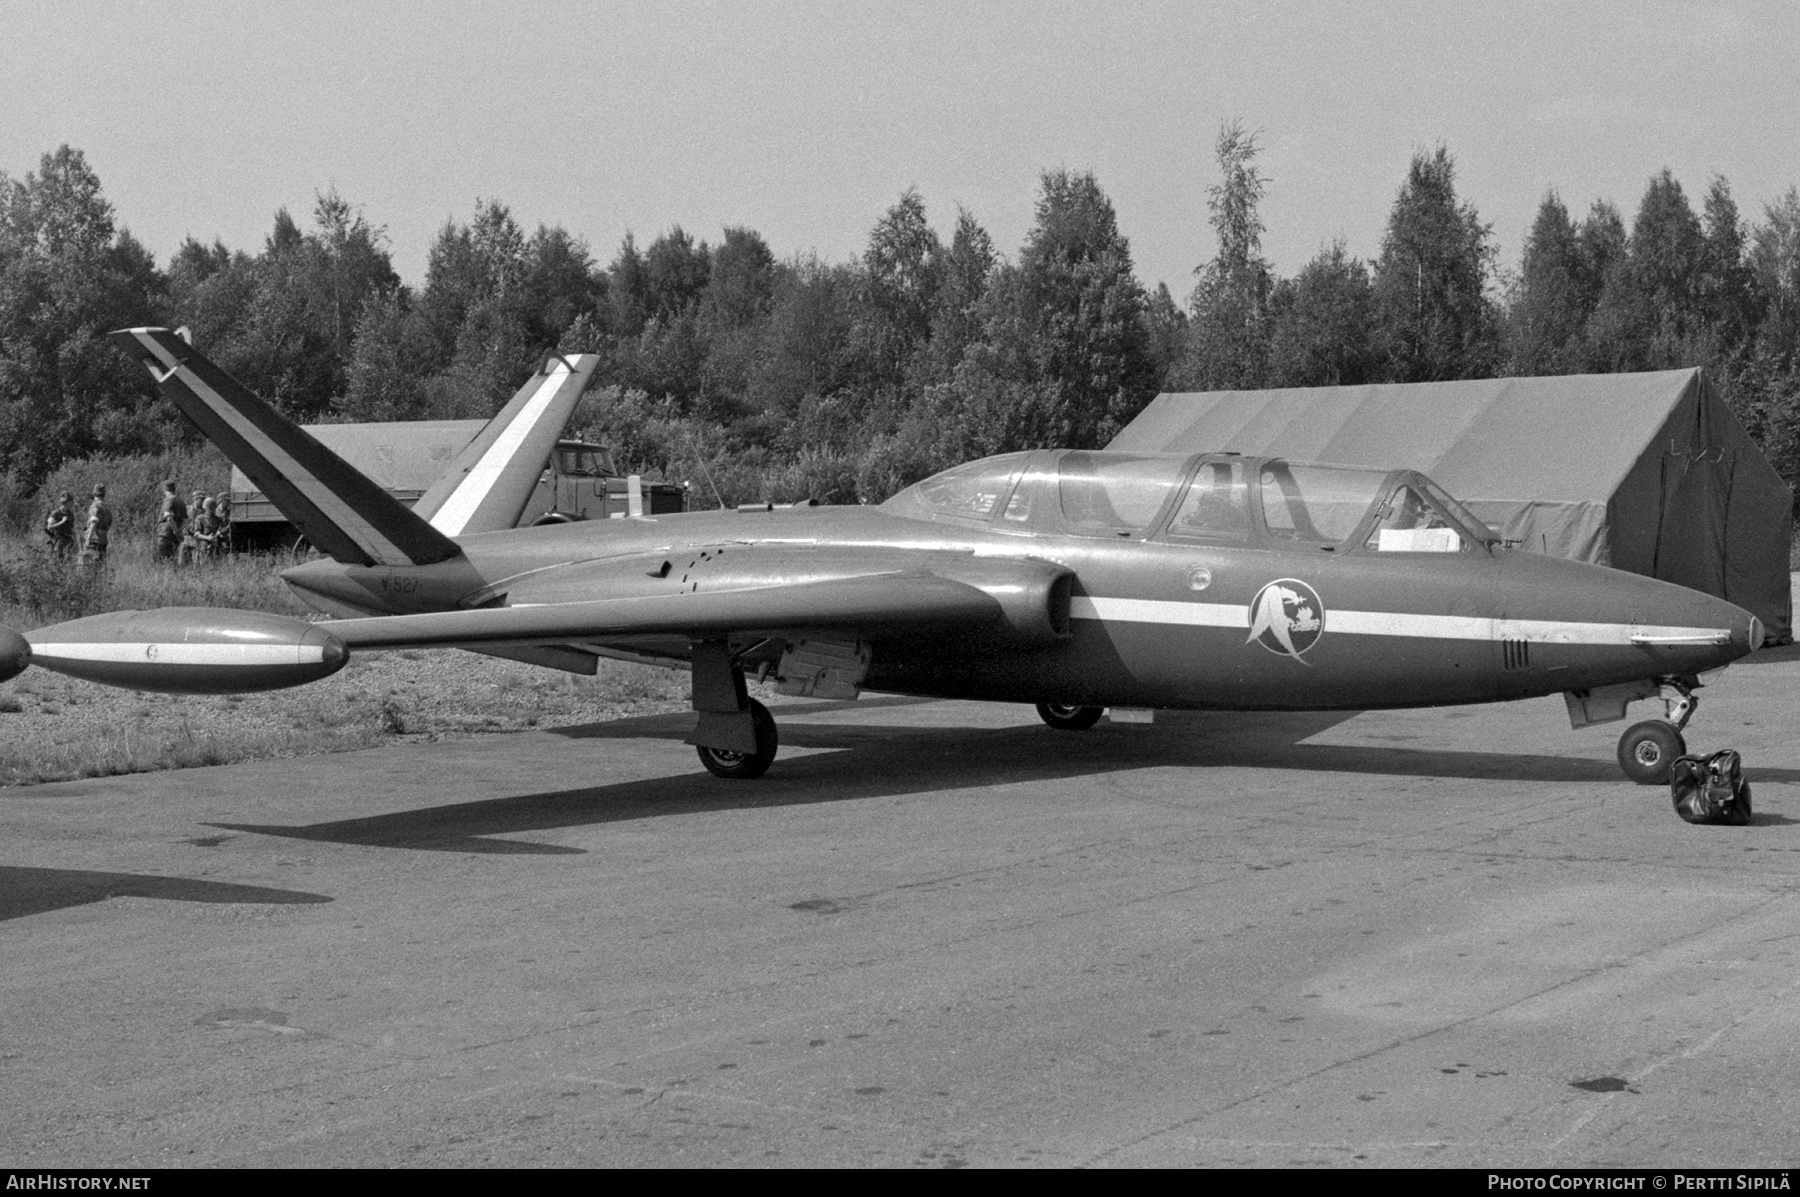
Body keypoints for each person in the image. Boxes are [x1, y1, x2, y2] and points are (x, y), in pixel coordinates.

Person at [154, 480, 188, 562]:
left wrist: (175, 530)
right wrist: (179, 530)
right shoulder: (181, 501)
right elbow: (186, 520)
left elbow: (168, 517)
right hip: (175, 535)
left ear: (164, 489)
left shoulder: (168, 500)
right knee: (172, 558)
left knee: (161, 558)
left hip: (166, 533)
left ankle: (163, 574)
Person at [82, 484, 112, 563]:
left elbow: (93, 523)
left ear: (94, 493)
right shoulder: (107, 508)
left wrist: (88, 539)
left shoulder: (95, 506)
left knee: (90, 566)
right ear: (104, 494)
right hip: (104, 540)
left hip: (94, 540)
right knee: (101, 565)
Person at [44, 492, 76, 556]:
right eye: (71, 500)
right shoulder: (56, 513)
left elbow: (72, 527)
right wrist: (62, 522)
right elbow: (49, 527)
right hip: (58, 540)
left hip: (69, 540)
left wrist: (75, 538)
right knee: (58, 559)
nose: (73, 502)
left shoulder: (70, 514)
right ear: (66, 502)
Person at [211, 490, 232, 556]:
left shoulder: (230, 512)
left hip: (228, 533)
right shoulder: (214, 512)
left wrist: (227, 529)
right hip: (215, 534)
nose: (229, 502)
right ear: (222, 501)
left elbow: (231, 523)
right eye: (227, 500)